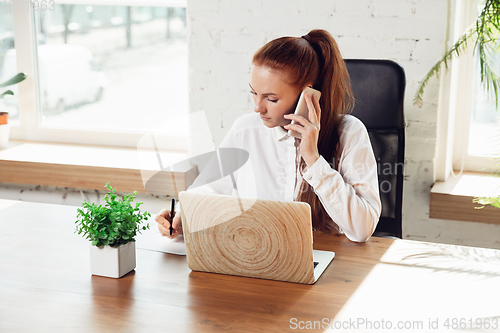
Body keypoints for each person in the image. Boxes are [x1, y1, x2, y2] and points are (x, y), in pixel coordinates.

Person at [156, 29, 381, 243]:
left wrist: (313, 159)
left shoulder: (350, 133)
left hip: (330, 265)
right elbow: (211, 190)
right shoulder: (245, 130)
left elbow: (362, 230)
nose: (257, 107)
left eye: (271, 99)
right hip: (258, 256)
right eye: (254, 93)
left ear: (307, 95)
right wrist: (183, 216)